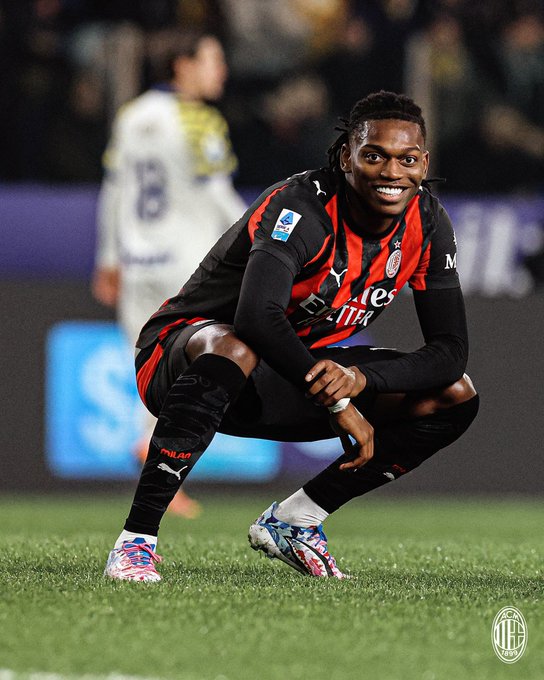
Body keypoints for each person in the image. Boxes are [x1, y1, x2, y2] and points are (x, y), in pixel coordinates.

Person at [104, 90, 479, 582]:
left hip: (281, 377)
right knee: (233, 346)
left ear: (423, 163)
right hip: (180, 360)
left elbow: (449, 351)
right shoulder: (302, 207)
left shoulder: (428, 223)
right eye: (374, 156)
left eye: (407, 160)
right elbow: (257, 318)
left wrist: (359, 381)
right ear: (347, 156)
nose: (392, 173)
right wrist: (339, 402)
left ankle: (297, 520)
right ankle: (135, 542)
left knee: (455, 395)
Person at [92, 30, 246, 518]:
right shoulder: (199, 119)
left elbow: (115, 190)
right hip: (189, 265)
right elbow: (219, 196)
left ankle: (149, 451)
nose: (220, 69)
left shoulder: (132, 114)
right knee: (198, 369)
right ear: (182, 65)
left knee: (146, 364)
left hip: (139, 263)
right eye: (212, 59)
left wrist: (108, 257)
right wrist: (265, 237)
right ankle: (162, 460)